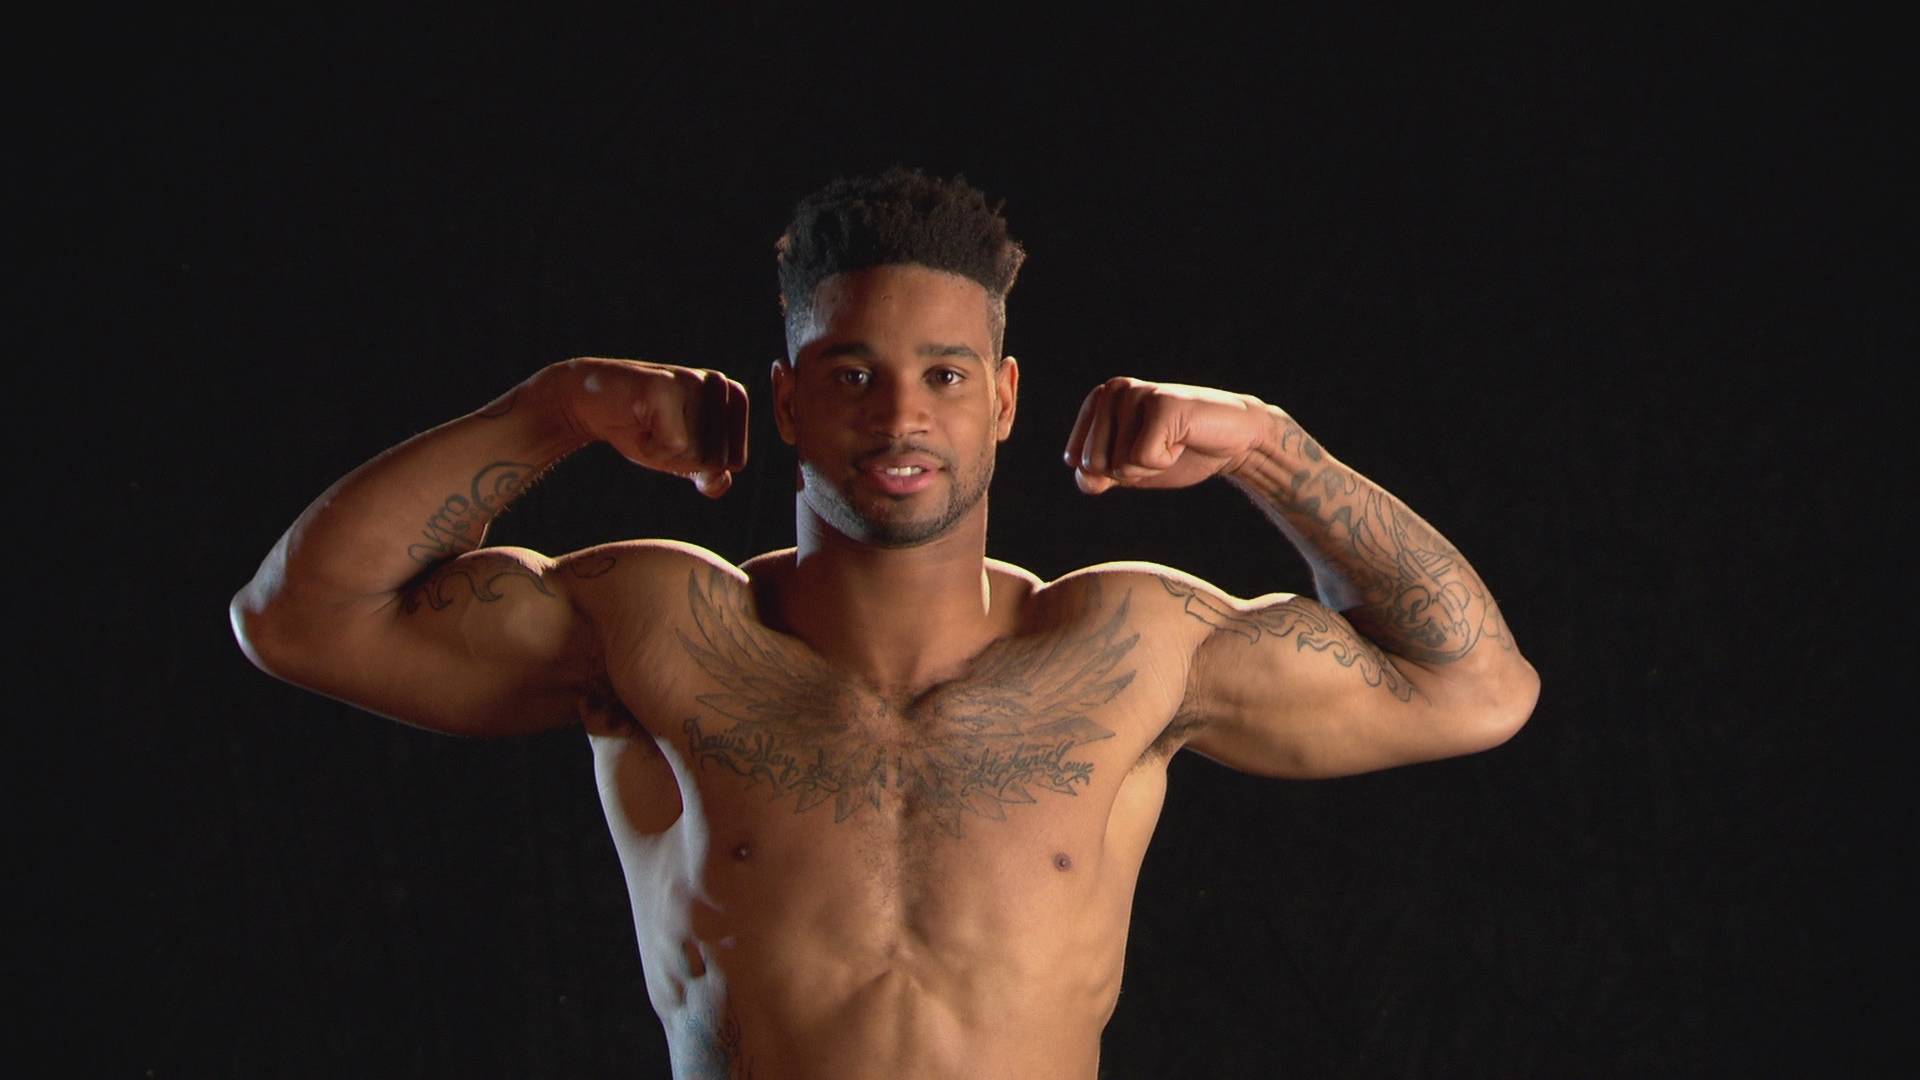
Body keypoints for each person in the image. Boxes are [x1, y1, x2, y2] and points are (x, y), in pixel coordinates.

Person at [231, 167, 1539, 1080]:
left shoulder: (1129, 649)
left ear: (1004, 401)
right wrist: (560, 406)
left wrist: (1266, 444)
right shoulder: (659, 627)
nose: (902, 416)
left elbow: (1476, 688)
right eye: (853, 374)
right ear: (788, 402)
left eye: (944, 375)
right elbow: (300, 620)